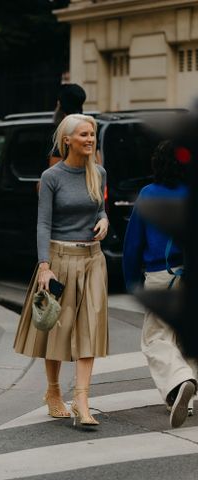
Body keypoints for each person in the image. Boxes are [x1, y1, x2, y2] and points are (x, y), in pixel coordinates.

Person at [14, 114, 109, 426]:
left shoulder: (99, 173)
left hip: (93, 259)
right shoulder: (51, 177)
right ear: (67, 140)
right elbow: (43, 224)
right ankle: (54, 391)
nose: (90, 139)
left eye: (92, 134)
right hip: (59, 258)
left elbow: (99, 208)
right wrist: (44, 266)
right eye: (83, 134)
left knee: (90, 329)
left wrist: (104, 219)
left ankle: (82, 398)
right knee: (58, 328)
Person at [123, 140, 197, 429]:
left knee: (156, 338)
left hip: (160, 274)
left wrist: (131, 281)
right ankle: (184, 396)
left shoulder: (148, 194)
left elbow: (133, 244)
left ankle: (179, 382)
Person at [50, 83, 102, 167]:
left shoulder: (62, 131)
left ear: (60, 104)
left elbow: (53, 173)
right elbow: (97, 163)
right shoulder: (89, 126)